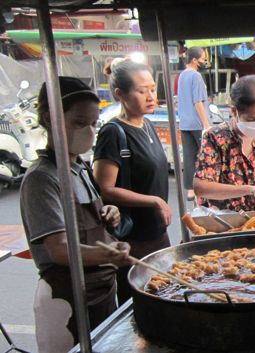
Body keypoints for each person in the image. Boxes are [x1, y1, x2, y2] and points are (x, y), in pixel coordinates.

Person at [20, 77, 132, 353]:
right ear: (50, 118)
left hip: (99, 292)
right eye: (80, 123)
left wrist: (111, 213)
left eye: (94, 124)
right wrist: (109, 254)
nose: (90, 132)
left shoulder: (79, 167)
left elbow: (92, 217)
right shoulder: (42, 179)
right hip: (68, 300)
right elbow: (59, 250)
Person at [94, 59, 171, 303]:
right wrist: (155, 201)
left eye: (152, 88)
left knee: (166, 293)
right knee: (140, 302)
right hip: (132, 239)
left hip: (157, 234)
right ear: (120, 94)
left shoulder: (147, 124)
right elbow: (105, 189)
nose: (150, 96)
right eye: (141, 91)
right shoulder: (113, 133)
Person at [193, 75, 255, 211]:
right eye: (250, 119)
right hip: (221, 222)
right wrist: (248, 190)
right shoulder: (215, 138)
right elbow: (200, 187)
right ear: (234, 111)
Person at [178, 46, 210, 201]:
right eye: (203, 58)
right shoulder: (196, 76)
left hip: (184, 122)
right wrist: (206, 124)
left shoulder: (182, 75)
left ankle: (191, 189)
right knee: (206, 155)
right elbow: (198, 102)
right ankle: (204, 186)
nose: (204, 61)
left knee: (189, 156)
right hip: (197, 123)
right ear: (194, 60)